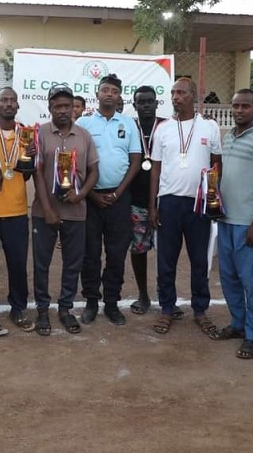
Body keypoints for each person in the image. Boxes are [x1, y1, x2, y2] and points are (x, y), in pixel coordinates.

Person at [208, 89, 253, 360]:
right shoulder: (228, 137)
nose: (239, 110)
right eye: (236, 106)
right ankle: (237, 323)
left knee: (252, 281)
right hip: (225, 220)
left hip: (248, 223)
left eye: (245, 106)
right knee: (229, 278)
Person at [149, 77, 221, 336]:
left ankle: (200, 310)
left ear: (193, 96)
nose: (175, 97)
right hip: (169, 202)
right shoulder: (163, 129)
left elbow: (217, 164)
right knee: (166, 260)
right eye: (173, 93)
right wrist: (153, 205)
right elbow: (155, 169)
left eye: (181, 93)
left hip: (199, 203)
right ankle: (167, 308)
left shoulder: (209, 127)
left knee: (199, 260)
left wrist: (213, 199)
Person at [31, 84, 99, 335]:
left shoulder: (84, 135)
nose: (62, 110)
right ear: (49, 108)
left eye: (67, 106)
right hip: (44, 212)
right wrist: (47, 209)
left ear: (74, 108)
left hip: (76, 211)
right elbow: (37, 172)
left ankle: (65, 309)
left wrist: (80, 194)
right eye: (57, 106)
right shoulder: (40, 134)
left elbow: (94, 171)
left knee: (72, 263)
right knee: (42, 264)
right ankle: (42, 310)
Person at [76, 74, 141, 325]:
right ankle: (91, 301)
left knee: (116, 254)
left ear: (119, 96)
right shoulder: (83, 123)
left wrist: (118, 193)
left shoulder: (128, 123)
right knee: (90, 254)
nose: (109, 94)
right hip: (90, 198)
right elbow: (76, 163)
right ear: (97, 94)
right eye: (105, 90)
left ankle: (112, 303)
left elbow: (135, 161)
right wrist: (91, 193)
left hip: (119, 198)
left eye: (114, 91)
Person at [0, 87, 36, 334]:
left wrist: (31, 160)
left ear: (17, 105)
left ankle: (18, 308)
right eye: (3, 100)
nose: (8, 104)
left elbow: (26, 174)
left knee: (17, 264)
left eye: (12, 100)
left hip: (16, 209)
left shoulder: (26, 133)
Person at [128, 86, 167, 315]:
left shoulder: (167, 126)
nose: (145, 106)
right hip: (136, 200)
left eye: (149, 101)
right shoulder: (129, 127)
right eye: (141, 102)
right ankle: (143, 295)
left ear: (156, 103)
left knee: (167, 252)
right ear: (134, 105)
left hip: (164, 199)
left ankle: (167, 297)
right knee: (138, 249)